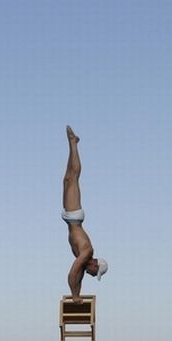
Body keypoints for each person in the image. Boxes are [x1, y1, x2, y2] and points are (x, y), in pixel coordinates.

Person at [62, 126, 108, 302]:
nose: (92, 275)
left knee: (68, 178)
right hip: (74, 216)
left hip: (72, 218)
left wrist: (77, 294)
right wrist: (74, 296)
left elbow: (78, 278)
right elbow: (72, 273)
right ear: (95, 264)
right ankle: (73, 143)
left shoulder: (84, 261)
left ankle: (72, 144)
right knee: (73, 177)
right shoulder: (87, 252)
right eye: (95, 273)